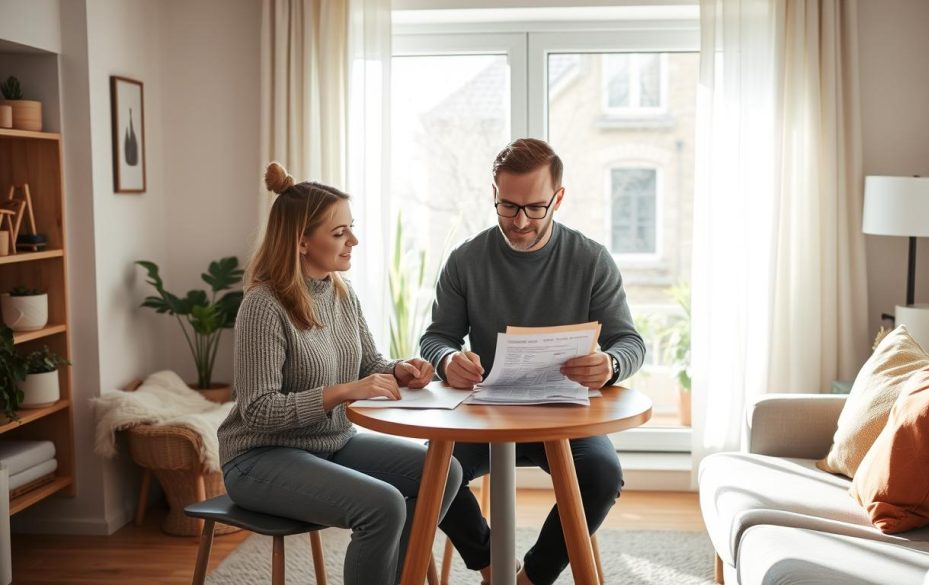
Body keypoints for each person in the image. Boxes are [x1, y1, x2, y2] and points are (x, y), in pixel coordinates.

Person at [218, 162, 462, 585]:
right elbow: (257, 410)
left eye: (351, 228)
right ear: (301, 241)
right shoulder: (264, 306)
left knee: (446, 471)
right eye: (339, 233)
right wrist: (340, 393)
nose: (354, 241)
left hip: (330, 443)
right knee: (383, 505)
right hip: (258, 457)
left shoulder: (339, 291)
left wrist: (401, 371)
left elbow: (369, 364)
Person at [421, 138, 646, 585]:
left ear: (558, 199)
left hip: (564, 416)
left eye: (535, 208)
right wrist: (448, 360)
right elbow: (436, 337)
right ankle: (491, 567)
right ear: (494, 195)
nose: (520, 221)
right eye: (508, 207)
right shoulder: (467, 260)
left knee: (602, 474)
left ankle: (531, 580)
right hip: (486, 414)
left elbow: (630, 342)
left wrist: (610, 364)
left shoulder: (590, 259)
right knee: (426, 472)